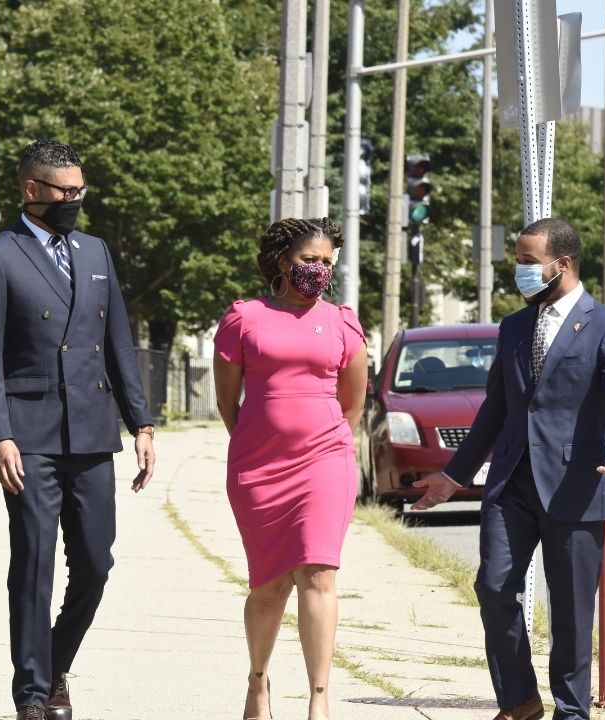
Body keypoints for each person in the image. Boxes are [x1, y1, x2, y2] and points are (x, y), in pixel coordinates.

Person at [413, 217, 605, 720]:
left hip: (576, 486)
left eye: (526, 262)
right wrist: (453, 476)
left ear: (561, 264)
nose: (517, 270)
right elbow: (495, 410)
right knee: (493, 587)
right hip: (511, 483)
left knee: (573, 611)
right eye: (516, 260)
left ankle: (571, 710)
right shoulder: (514, 327)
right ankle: (518, 701)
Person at [0, 138, 156, 720]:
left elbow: (118, 343)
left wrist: (141, 421)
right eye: (65, 192)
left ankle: (52, 665)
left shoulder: (95, 252)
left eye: (80, 190)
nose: (75, 200)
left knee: (96, 564)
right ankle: (32, 696)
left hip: (94, 435)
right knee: (35, 561)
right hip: (29, 438)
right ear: (32, 191)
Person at [212, 217, 368, 720]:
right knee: (269, 585)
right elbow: (228, 403)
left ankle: (319, 700)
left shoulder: (343, 321)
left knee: (318, 573)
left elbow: (353, 406)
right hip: (259, 468)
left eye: (326, 262)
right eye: (309, 260)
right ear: (284, 262)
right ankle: (258, 682)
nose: (319, 270)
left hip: (326, 461)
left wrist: (322, 443)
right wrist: (263, 439)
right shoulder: (244, 318)